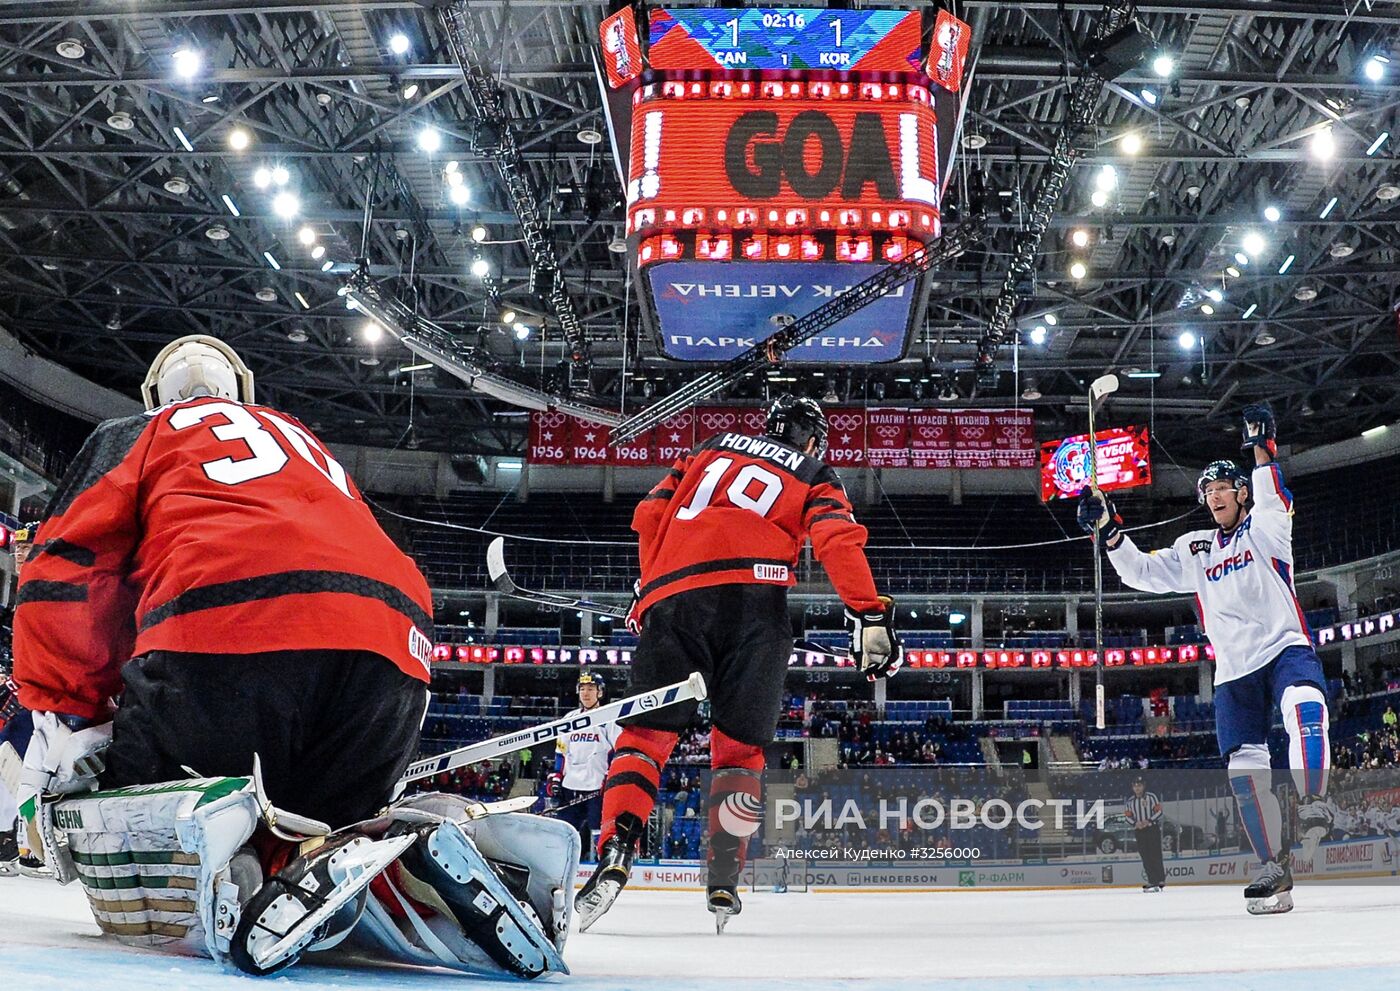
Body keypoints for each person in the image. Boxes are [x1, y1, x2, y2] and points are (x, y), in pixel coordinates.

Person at [10, 336, 580, 978]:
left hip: (230, 621)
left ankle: (234, 864)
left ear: (154, 399)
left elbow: (63, 575)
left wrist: (70, 712)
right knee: (331, 824)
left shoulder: (141, 434)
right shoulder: (302, 441)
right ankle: (427, 859)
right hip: (395, 641)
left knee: (139, 803)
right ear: (243, 389)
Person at [575, 394, 901, 932]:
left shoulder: (708, 448)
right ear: (814, 440)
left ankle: (616, 850)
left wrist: (650, 587)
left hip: (675, 596)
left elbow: (651, 514)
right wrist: (868, 613)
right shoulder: (817, 472)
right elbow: (835, 540)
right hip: (758, 604)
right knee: (740, 753)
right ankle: (724, 873)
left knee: (644, 740)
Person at [1079, 401, 1330, 915]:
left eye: (1222, 487)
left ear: (1241, 494)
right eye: (1207, 490)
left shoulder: (1267, 530)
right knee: (1245, 771)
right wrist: (1107, 530)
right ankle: (1273, 870)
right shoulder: (1194, 548)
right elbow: (1139, 573)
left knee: (1305, 706)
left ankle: (1314, 802)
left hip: (1284, 648)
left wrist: (1261, 451)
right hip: (1234, 672)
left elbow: (1271, 491)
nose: (1213, 495)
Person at [549, 670, 618, 856]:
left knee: (600, 833)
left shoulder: (608, 718)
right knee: (564, 833)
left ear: (600, 692)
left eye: (591, 688)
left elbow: (616, 753)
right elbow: (561, 753)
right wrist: (556, 777)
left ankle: (601, 868)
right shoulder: (569, 720)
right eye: (582, 689)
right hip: (571, 787)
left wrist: (609, 779)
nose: (586, 693)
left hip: (597, 788)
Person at [1126, 775, 1166, 891]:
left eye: (1139, 786)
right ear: (1132, 788)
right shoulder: (1130, 802)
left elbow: (1159, 812)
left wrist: (1149, 820)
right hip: (1139, 831)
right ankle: (1152, 880)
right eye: (1135, 786)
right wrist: (1135, 823)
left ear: (1143, 786)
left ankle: (1160, 879)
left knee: (1155, 854)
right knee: (1145, 855)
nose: (1137, 788)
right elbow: (1127, 816)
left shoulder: (1151, 797)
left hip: (1152, 829)